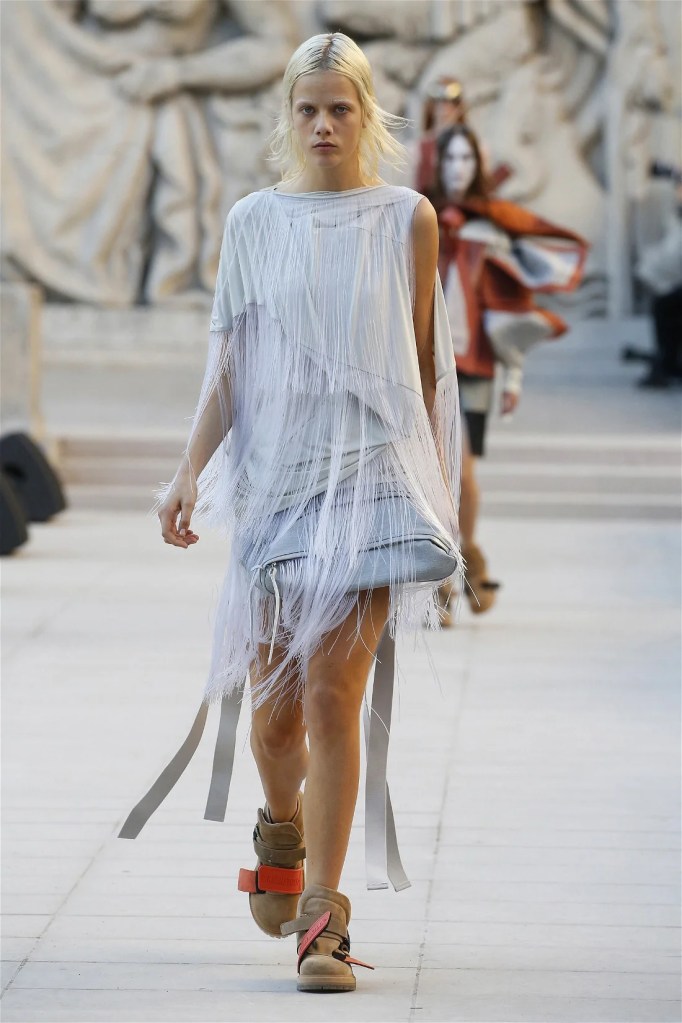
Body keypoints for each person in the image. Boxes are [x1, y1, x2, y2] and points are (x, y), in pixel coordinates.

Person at [119, 33, 461, 993]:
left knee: (332, 698)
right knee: (273, 726)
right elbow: (228, 362)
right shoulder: (254, 221)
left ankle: (324, 918)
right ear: (288, 116)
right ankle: (280, 825)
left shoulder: (407, 218)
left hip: (373, 488)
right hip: (277, 488)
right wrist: (188, 471)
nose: (323, 125)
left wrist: (440, 503)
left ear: (366, 115)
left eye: (340, 108)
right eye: (307, 109)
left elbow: (425, 367)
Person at [432, 123, 587, 615]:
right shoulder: (420, 217)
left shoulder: (490, 227)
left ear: (478, 165)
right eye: (450, 158)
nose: (458, 169)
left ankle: (463, 562)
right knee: (436, 470)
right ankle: (446, 571)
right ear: (437, 163)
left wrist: (513, 375)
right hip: (427, 364)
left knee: (463, 471)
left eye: (466, 159)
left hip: (475, 363)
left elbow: (508, 305)